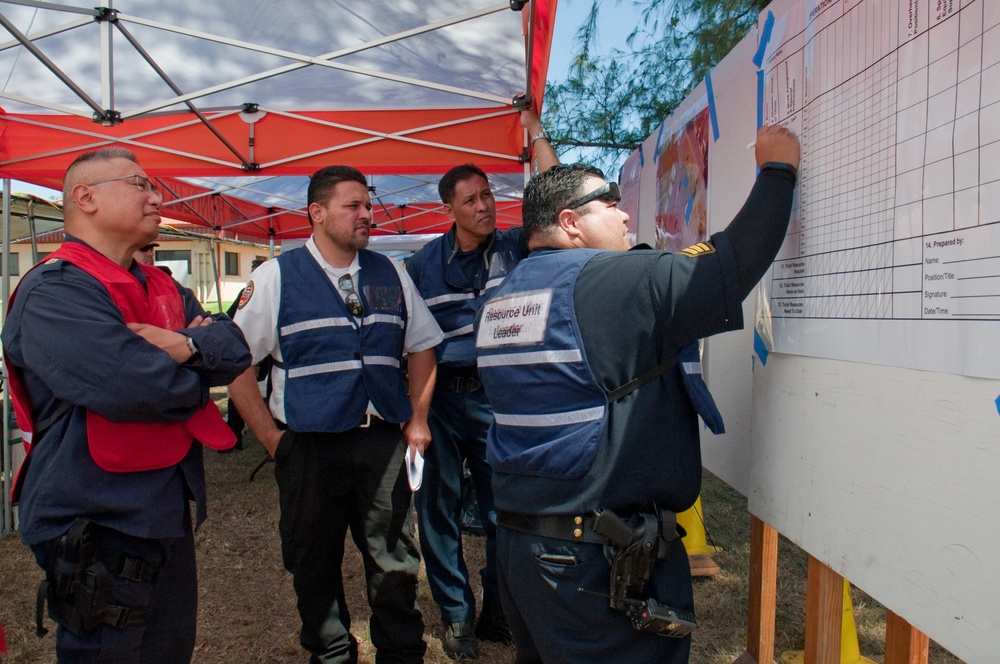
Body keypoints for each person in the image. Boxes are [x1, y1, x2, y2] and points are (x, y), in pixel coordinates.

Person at [473, 125, 800, 663]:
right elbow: (731, 262)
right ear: (570, 223)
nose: (626, 215)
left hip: (524, 550)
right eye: (609, 203)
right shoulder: (605, 284)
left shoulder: (505, 295)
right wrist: (777, 171)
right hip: (593, 566)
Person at [2, 147, 251, 662]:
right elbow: (135, 388)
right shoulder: (55, 291)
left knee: (167, 647)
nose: (156, 196)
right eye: (139, 184)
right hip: (96, 516)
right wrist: (194, 376)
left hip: (160, 508)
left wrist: (182, 347)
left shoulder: (158, 283)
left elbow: (235, 349)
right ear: (85, 198)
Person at [227, 165, 442, 664]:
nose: (367, 214)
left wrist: (418, 417)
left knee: (394, 560)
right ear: (317, 212)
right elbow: (235, 362)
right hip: (309, 445)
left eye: (368, 205)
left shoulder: (391, 274)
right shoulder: (276, 277)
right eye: (354, 206)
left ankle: (401, 653)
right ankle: (332, 654)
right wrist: (271, 439)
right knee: (313, 561)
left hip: (381, 442)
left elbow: (424, 345)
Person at [404, 107, 558, 658]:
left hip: (501, 399)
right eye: (470, 200)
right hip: (443, 400)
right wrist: (416, 415)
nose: (485, 205)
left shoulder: (517, 247)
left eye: (488, 195)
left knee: (504, 511)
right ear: (448, 209)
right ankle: (456, 616)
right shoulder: (422, 264)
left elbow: (554, 195)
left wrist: (535, 133)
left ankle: (499, 611)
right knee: (438, 510)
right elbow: (412, 344)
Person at [222, 257, 268, 450]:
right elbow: (233, 319)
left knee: (267, 396)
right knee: (240, 394)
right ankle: (234, 437)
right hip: (247, 351)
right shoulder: (247, 293)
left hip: (267, 354)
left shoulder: (271, 291)